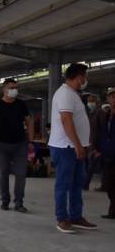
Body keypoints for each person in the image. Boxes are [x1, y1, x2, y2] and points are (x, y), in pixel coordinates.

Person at [48, 63, 97, 233]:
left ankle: (76, 216)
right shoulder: (65, 94)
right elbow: (66, 121)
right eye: (85, 76)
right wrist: (77, 145)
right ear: (78, 77)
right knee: (64, 184)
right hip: (66, 147)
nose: (85, 80)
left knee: (77, 184)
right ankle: (62, 218)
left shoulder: (73, 94)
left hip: (75, 147)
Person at [0, 79, 34, 213]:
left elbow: (29, 122)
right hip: (2, 144)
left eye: (16, 88)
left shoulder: (21, 104)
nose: (14, 90)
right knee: (3, 173)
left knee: (21, 174)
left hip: (20, 144)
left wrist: (31, 141)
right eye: (11, 88)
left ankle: (19, 203)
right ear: (4, 90)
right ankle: (5, 201)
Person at [91, 89, 115, 219]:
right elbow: (99, 132)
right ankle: (113, 211)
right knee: (109, 184)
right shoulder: (105, 115)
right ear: (108, 100)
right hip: (106, 154)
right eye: (112, 97)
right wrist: (96, 148)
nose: (114, 100)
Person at [85, 94, 105, 191]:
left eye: (91, 101)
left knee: (91, 165)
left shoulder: (100, 113)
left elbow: (102, 130)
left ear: (96, 102)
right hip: (92, 144)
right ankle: (104, 185)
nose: (90, 103)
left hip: (97, 144)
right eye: (89, 101)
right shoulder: (92, 113)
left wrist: (99, 147)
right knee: (99, 166)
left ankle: (85, 184)